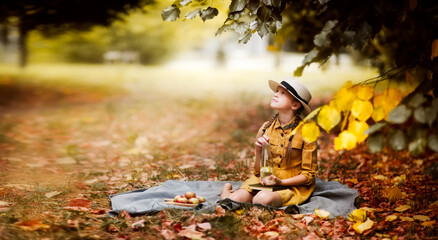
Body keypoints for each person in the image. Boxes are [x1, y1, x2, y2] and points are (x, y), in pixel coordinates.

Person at [220, 77, 318, 207]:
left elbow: (308, 175)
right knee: (235, 200)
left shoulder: (307, 132)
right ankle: (226, 192)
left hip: (289, 185)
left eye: (283, 93)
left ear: (295, 105)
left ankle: (237, 195)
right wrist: (258, 149)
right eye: (277, 91)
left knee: (262, 200)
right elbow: (257, 172)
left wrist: (280, 183)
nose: (276, 94)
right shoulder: (266, 128)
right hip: (263, 181)